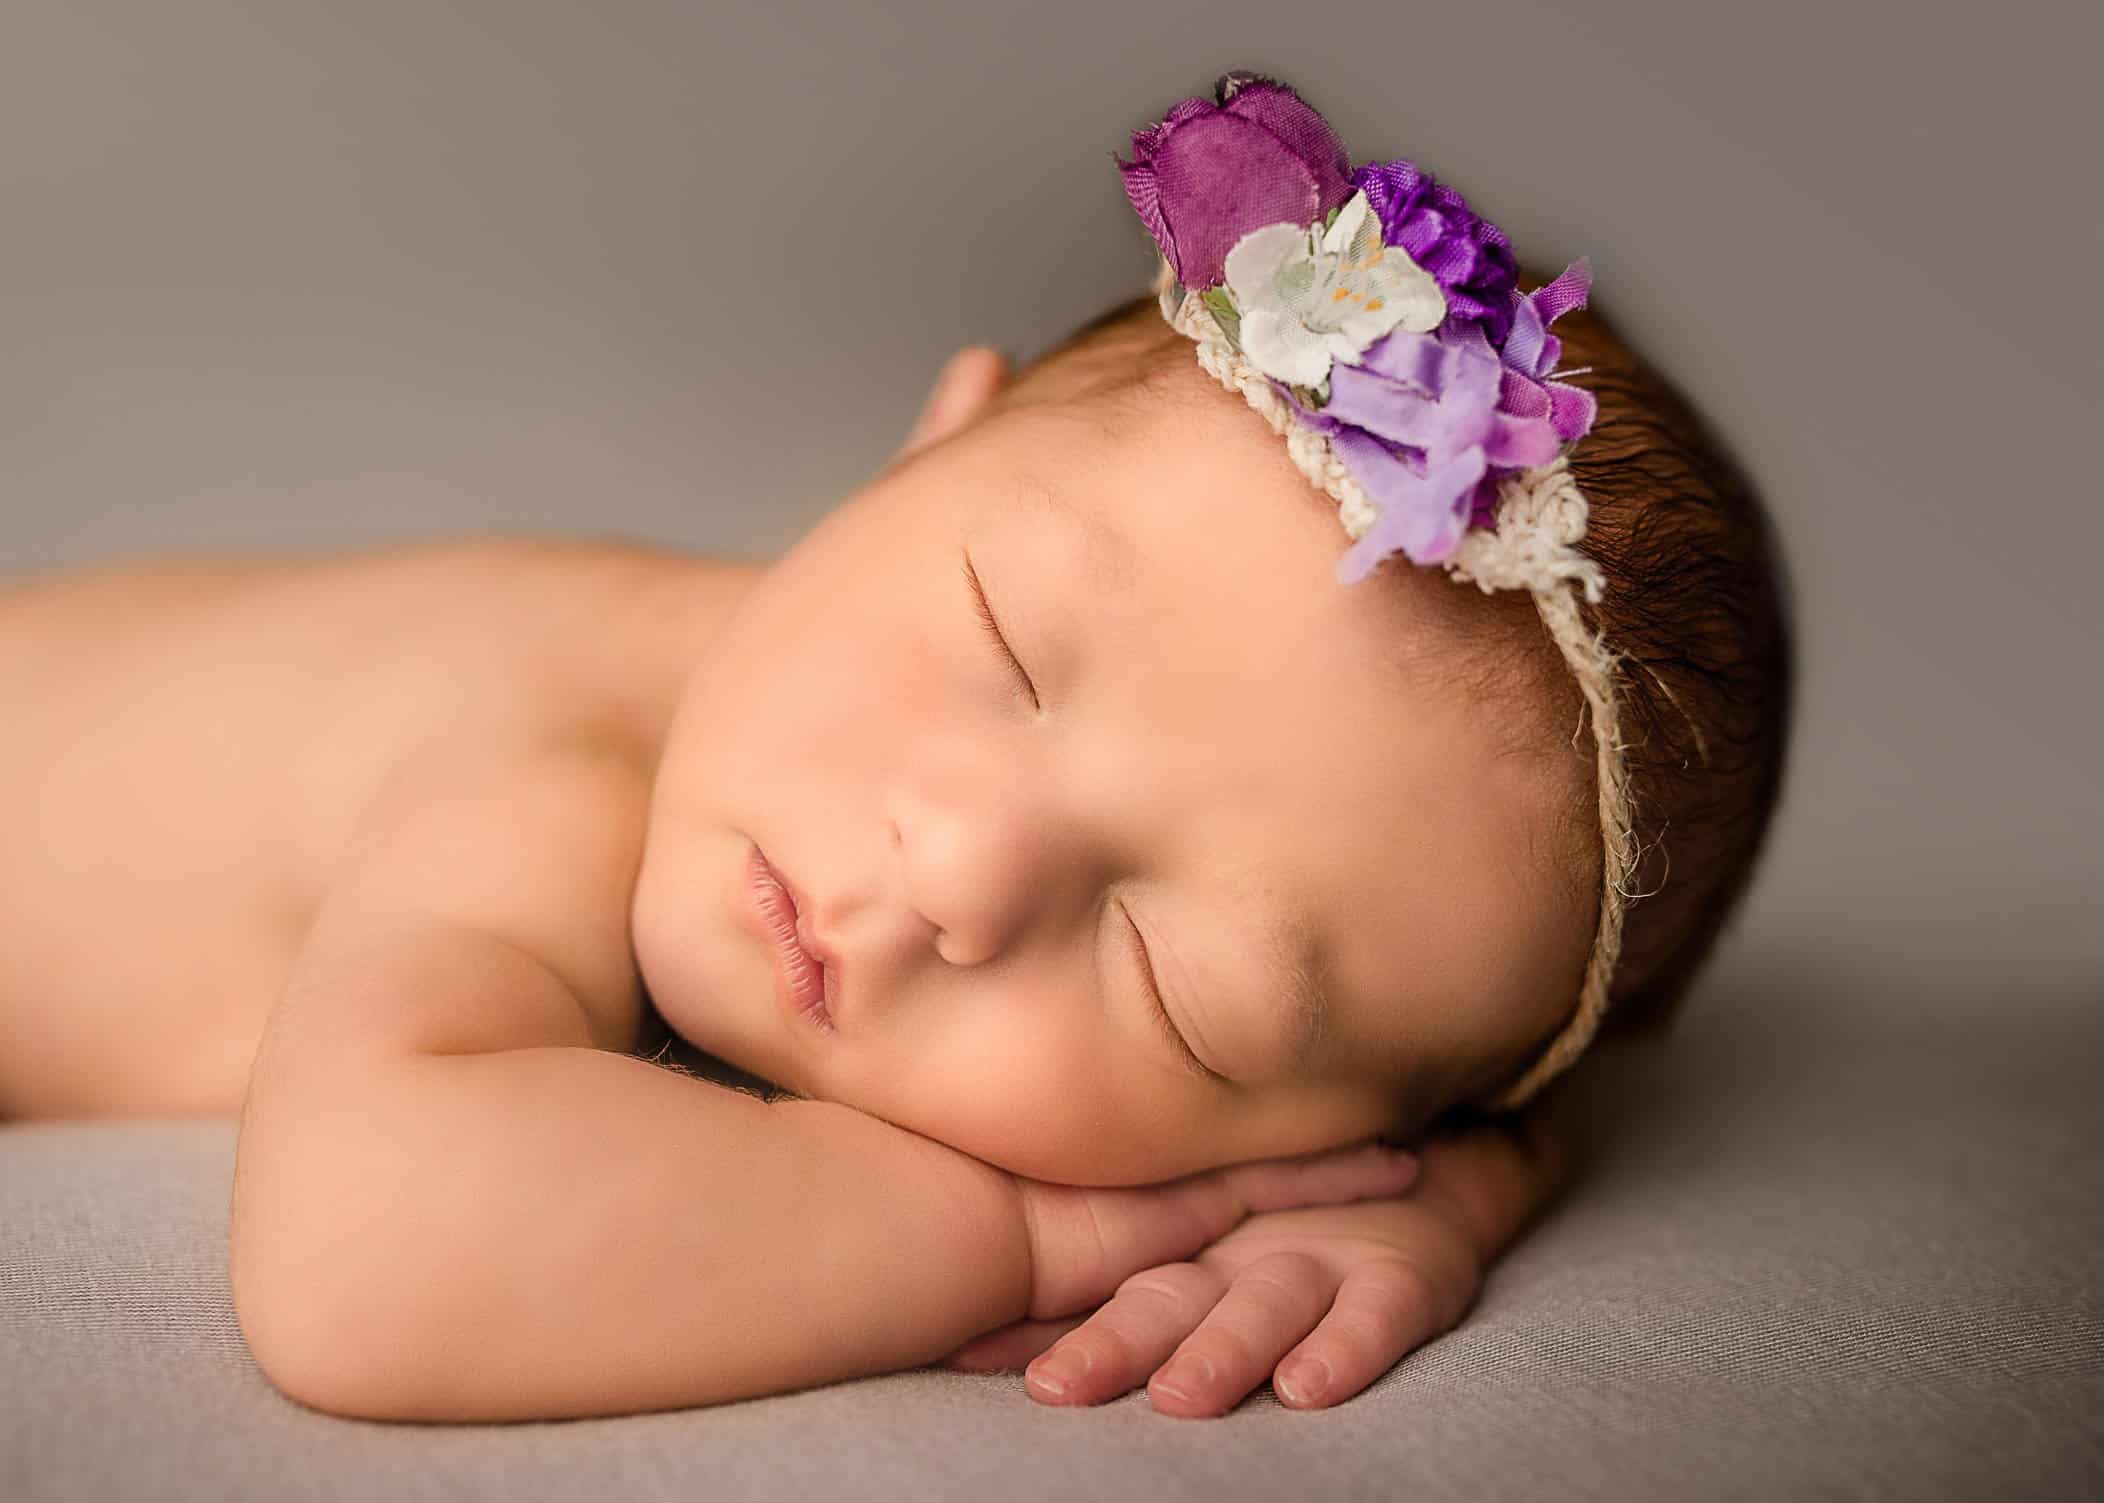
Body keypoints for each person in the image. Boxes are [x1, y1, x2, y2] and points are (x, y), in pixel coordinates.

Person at [0, 71, 1791, 1423]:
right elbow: (366, 1265)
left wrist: (1447, 1198)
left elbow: (1478, 1079)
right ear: (932, 438)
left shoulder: (823, 814)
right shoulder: (551, 768)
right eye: (1005, 646)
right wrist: (1027, 1241)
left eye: (1188, 991)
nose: (964, 862)